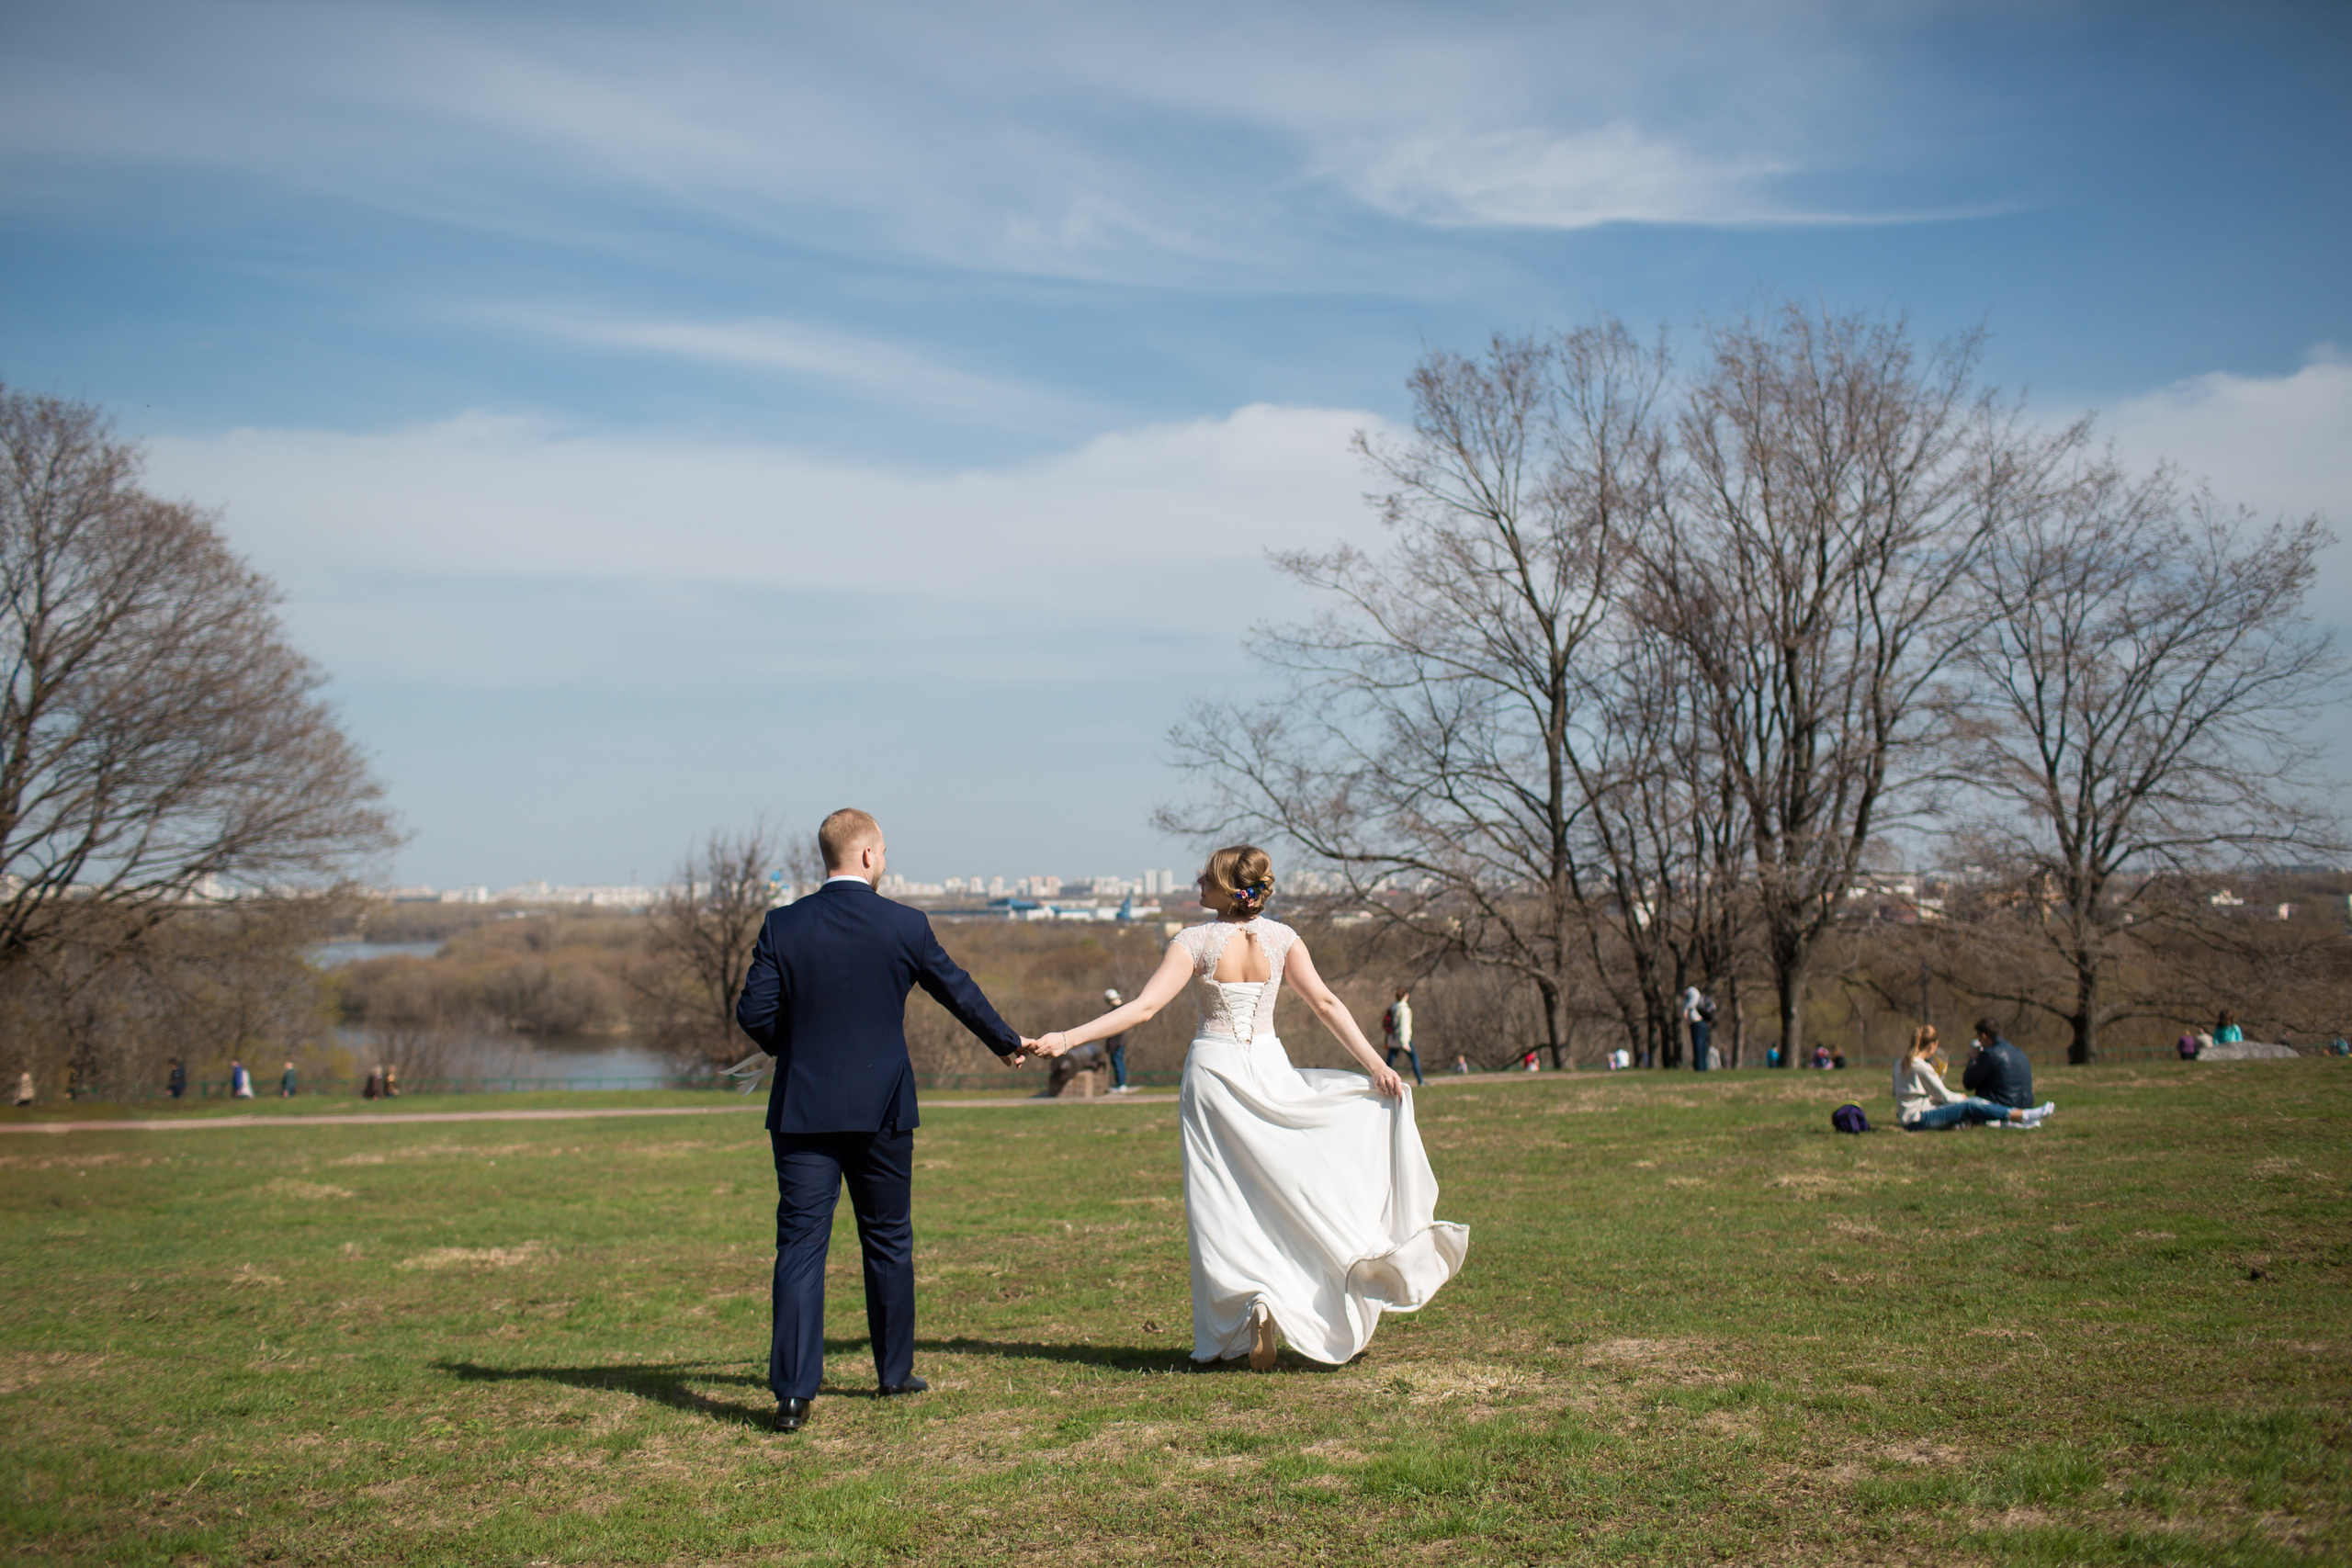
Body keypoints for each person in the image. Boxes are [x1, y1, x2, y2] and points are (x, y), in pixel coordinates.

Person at [1031, 845, 1464, 1373]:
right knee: (1286, 1191)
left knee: (1220, 1202)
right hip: (1269, 1067)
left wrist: (1066, 1038)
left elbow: (1143, 1008)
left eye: (1205, 878)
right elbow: (1326, 1003)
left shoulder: (1193, 941)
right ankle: (1280, 1294)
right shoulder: (1284, 939)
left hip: (1213, 1073)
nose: (1197, 882)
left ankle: (1250, 1302)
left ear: (1228, 888)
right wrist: (1375, 1065)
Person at [733, 809, 1036, 1434]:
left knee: (800, 1247)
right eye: (885, 851)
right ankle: (894, 1373)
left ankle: (792, 1395)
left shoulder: (782, 924)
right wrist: (1006, 1042)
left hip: (803, 1108)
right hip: (884, 1109)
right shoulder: (904, 924)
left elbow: (754, 1013)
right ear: (868, 855)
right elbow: (957, 989)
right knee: (889, 1239)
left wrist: (794, 1048)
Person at [1893, 1026, 2053, 1131]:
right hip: (1918, 1119)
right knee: (1971, 1104)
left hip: (1909, 1117)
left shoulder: (1900, 1063)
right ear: (1932, 1045)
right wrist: (1961, 1097)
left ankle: (2017, 1121)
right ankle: (2024, 1115)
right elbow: (1945, 1096)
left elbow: (1900, 1092)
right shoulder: (1922, 1066)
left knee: (1972, 1108)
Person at [1962, 1018, 2034, 1111]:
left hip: (2001, 1111)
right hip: (2025, 1110)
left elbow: (1968, 1082)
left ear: (1983, 1036)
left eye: (1978, 1037)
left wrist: (1972, 1058)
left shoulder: (1990, 1054)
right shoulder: (2019, 1052)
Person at [1381, 987, 1423, 1087]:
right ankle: (1420, 1081)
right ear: (1406, 996)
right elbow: (1404, 1026)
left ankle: (1383, 1079)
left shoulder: (1393, 1007)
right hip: (1402, 1039)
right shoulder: (1404, 1009)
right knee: (1414, 1058)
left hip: (1393, 1039)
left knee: (1389, 1061)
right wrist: (1405, 1042)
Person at [1101, 989, 1132, 1091]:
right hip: (1118, 1042)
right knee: (1117, 1062)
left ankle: (1121, 1084)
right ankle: (1120, 1084)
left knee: (1118, 1062)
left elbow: (1111, 1017)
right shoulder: (1120, 1009)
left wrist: (1104, 1017)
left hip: (1117, 1043)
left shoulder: (1117, 1010)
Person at [1682, 987, 1713, 1073]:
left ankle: (1700, 1067)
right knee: (1701, 1046)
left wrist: (1686, 1009)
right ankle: (1701, 1067)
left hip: (1697, 1023)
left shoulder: (1691, 991)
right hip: (1700, 1023)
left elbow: (1694, 999)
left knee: (1698, 1046)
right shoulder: (1693, 995)